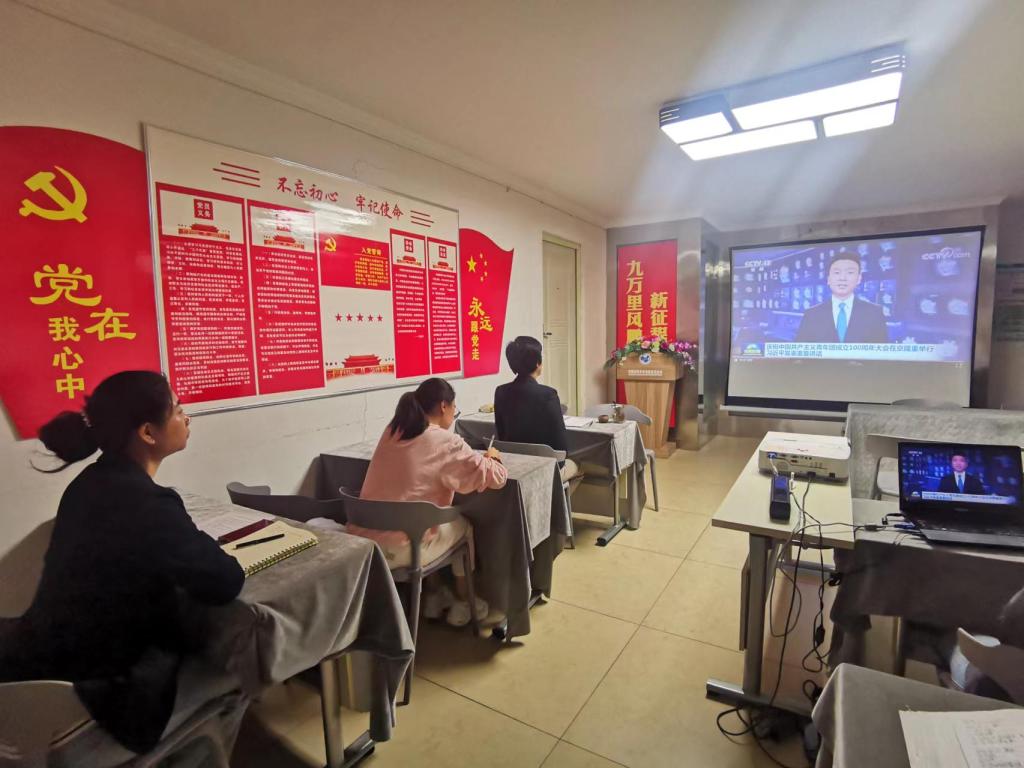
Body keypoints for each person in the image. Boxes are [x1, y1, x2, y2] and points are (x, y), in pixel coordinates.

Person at [0, 371, 245, 754]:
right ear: (148, 432)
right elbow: (226, 581)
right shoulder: (149, 504)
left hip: (46, 662)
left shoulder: (87, 484)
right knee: (236, 672)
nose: (187, 417)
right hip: (106, 692)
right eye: (177, 409)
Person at [355, 377, 507, 627]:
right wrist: (493, 457)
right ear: (444, 406)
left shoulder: (393, 429)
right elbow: (497, 478)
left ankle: (434, 596)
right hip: (403, 547)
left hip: (366, 539)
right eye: (454, 409)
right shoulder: (446, 441)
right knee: (463, 526)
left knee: (426, 521)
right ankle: (463, 601)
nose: (454, 414)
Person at [494, 336, 578, 482]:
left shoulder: (500, 391)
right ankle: (557, 496)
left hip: (513, 464)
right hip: (547, 468)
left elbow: (501, 433)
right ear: (538, 363)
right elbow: (562, 447)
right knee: (578, 464)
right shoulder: (548, 394)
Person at [794, 254, 890, 344]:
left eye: (850, 273)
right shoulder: (811, 314)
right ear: (828, 279)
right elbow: (800, 352)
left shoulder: (874, 313)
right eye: (837, 273)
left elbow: (882, 353)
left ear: (859, 279)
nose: (842, 278)